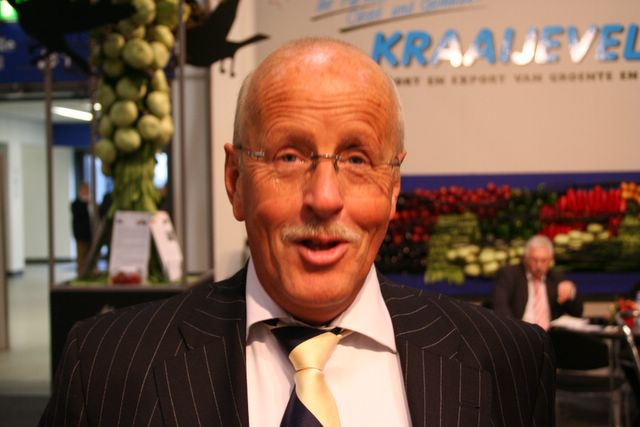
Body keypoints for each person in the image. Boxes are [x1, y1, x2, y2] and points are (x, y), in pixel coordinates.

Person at [40, 38, 555, 426]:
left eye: (357, 159)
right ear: (236, 181)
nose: (324, 198)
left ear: (394, 188)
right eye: (289, 157)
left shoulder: (508, 362)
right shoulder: (107, 366)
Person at [493, 234, 583, 329]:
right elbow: (501, 310)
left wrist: (571, 292)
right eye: (534, 260)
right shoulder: (509, 275)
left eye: (544, 260)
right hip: (520, 332)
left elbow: (578, 312)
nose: (539, 266)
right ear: (526, 259)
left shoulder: (556, 278)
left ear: (551, 260)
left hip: (550, 334)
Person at [70, 182, 92, 275]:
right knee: (81, 255)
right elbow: (80, 214)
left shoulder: (90, 203)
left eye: (87, 190)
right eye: (84, 190)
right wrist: (86, 203)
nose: (86, 192)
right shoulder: (76, 204)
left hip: (90, 234)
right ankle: (81, 273)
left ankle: (89, 272)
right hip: (81, 234)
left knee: (89, 255)